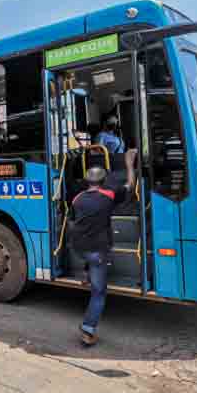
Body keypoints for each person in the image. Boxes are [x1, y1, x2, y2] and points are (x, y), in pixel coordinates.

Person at [69, 148, 138, 347]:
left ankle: (86, 275)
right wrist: (129, 164)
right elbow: (130, 185)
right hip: (96, 250)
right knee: (99, 293)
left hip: (78, 246)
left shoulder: (77, 198)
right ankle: (88, 329)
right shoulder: (109, 195)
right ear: (104, 180)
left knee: (88, 256)